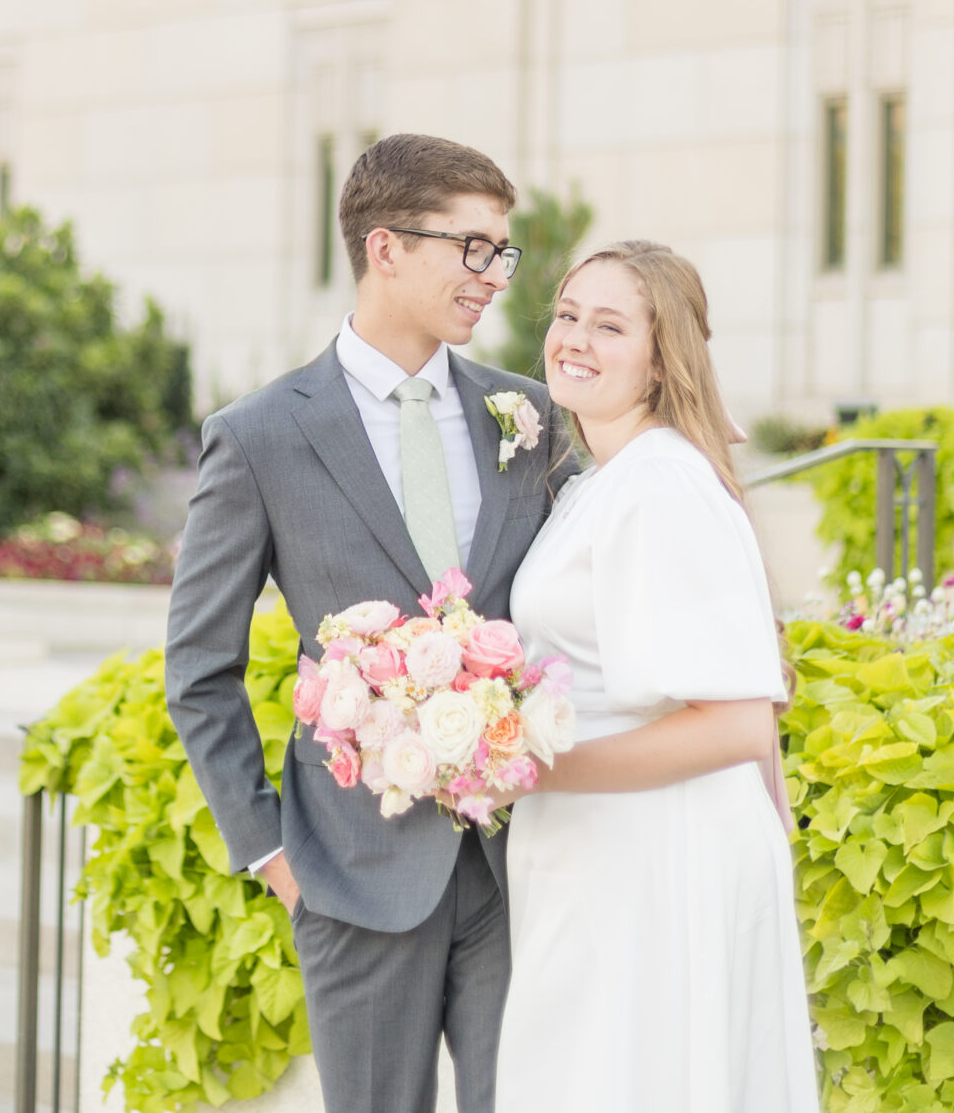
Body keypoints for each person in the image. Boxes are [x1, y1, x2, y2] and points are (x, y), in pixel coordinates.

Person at [165, 133, 572, 1113]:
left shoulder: (527, 417)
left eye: (502, 252)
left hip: (522, 864)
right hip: (349, 870)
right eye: (472, 248)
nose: (493, 276)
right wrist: (270, 854)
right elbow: (198, 667)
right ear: (384, 247)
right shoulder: (260, 435)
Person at [493, 239, 820, 1113]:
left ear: (661, 357)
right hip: (602, 855)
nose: (575, 339)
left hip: (654, 858)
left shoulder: (661, 483)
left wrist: (527, 768)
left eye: (609, 325)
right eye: (566, 315)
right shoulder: (598, 483)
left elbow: (739, 723)